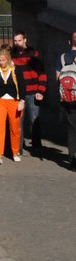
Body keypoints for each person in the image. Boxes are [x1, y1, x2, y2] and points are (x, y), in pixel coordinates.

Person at [10, 31, 47, 155]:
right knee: (18, 121)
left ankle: (36, 146)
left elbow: (42, 73)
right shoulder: (12, 55)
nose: (17, 43)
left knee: (34, 120)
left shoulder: (33, 53)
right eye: (15, 41)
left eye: (19, 40)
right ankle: (18, 148)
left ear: (25, 40)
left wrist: (41, 90)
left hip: (32, 91)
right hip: (18, 93)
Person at [0, 44, 25, 164]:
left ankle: (15, 152)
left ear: (8, 59)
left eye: (4, 60)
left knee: (15, 128)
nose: (2, 63)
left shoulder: (16, 70)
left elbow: (22, 86)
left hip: (13, 101)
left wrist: (22, 100)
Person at [56, 31, 76, 171]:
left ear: (69, 42)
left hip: (68, 99)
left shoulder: (62, 57)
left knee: (72, 129)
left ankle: (72, 160)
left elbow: (57, 78)